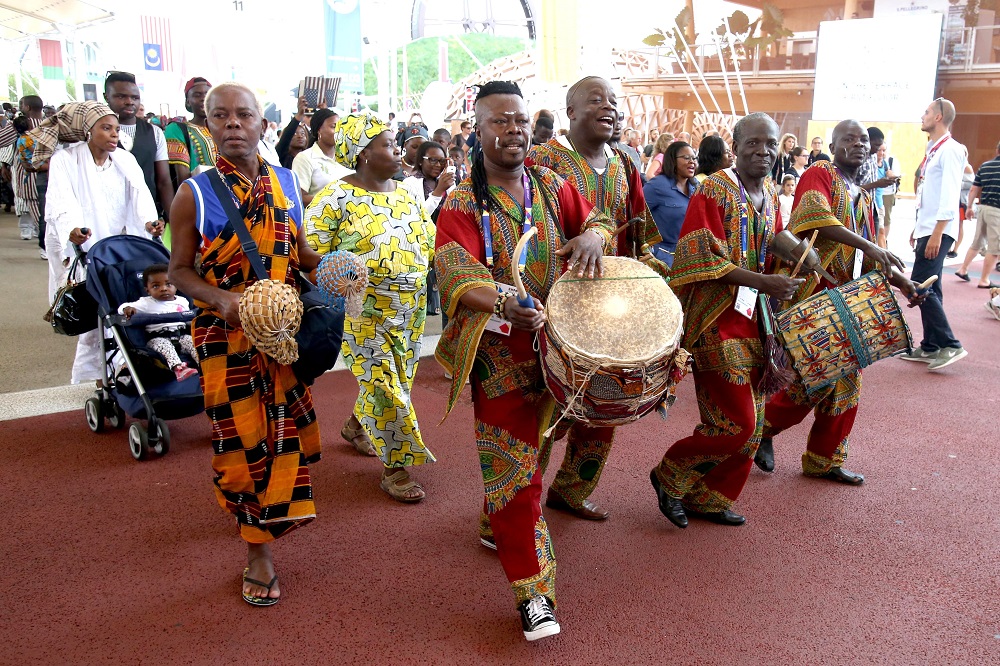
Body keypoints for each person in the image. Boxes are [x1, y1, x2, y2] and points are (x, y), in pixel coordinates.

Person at [434, 80, 612, 641]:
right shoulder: (462, 202)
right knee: (513, 470)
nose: (512, 129)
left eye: (519, 120)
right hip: (499, 358)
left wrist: (593, 239)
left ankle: (498, 521)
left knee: (550, 442)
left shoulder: (551, 185)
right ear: (477, 131)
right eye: (499, 121)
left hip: (562, 347)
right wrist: (503, 301)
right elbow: (456, 272)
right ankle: (534, 594)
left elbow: (599, 222)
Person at [168, 82, 322, 607]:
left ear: (263, 124)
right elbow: (179, 271)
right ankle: (258, 551)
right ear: (207, 125)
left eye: (244, 114)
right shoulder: (194, 193)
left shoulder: (286, 181)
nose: (233, 123)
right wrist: (224, 300)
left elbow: (299, 253)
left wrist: (337, 266)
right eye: (220, 116)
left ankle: (269, 514)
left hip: (280, 336)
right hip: (225, 337)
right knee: (240, 443)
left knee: (281, 434)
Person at [649, 112, 804, 530]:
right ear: (735, 148)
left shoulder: (768, 191)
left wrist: (799, 253)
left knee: (753, 424)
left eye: (770, 144)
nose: (763, 151)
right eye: (753, 143)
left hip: (756, 320)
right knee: (738, 423)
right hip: (715, 319)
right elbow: (700, 256)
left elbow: (773, 235)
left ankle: (710, 497)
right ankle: (670, 473)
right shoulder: (715, 188)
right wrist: (763, 281)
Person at [526, 74, 665, 522]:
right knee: (547, 407)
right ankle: (517, 505)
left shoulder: (624, 162)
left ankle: (571, 490)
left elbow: (638, 230)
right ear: (570, 112)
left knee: (605, 402)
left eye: (613, 101)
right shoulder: (542, 160)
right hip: (558, 302)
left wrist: (651, 277)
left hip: (613, 305)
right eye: (596, 100)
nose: (610, 107)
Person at [756, 119, 921, 482]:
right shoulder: (820, 173)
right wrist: (870, 246)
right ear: (833, 147)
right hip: (813, 296)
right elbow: (816, 219)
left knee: (846, 382)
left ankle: (823, 459)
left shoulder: (862, 195)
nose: (859, 144)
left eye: (863, 140)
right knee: (813, 378)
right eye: (849, 139)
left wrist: (904, 283)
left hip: (847, 301)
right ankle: (763, 430)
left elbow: (870, 256)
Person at [305, 112, 436, 503]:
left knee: (397, 381)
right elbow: (308, 253)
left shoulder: (407, 194)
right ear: (362, 153)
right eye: (387, 144)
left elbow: (428, 243)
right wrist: (341, 273)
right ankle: (396, 467)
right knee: (384, 384)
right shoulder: (335, 198)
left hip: (410, 310)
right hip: (362, 312)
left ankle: (355, 426)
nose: (397, 150)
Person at [40, 101, 163, 384]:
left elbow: (140, 196)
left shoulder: (125, 160)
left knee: (124, 304)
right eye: (106, 128)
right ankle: (96, 374)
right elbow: (61, 199)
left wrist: (148, 222)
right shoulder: (66, 160)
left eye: (116, 129)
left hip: (117, 245)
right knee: (96, 311)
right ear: (88, 131)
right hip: (84, 243)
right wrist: (72, 229)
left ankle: (125, 368)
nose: (114, 134)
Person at [900, 98, 968, 371]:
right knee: (931, 287)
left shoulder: (950, 150)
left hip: (938, 229)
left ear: (939, 117)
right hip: (928, 227)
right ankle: (931, 345)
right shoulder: (934, 150)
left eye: (927, 112)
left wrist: (938, 232)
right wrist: (919, 227)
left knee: (920, 285)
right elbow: (929, 193)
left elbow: (950, 195)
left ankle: (950, 344)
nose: (923, 116)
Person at [104, 71, 174, 224]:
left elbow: (163, 181)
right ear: (106, 97)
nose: (129, 102)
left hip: (147, 216)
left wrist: (173, 220)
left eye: (135, 98)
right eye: (121, 96)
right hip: (107, 217)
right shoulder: (96, 133)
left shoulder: (154, 133)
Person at [402, 140, 457, 317]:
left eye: (442, 161)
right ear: (420, 161)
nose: (437, 165)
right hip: (421, 246)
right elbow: (416, 218)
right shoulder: (410, 183)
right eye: (432, 160)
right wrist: (438, 191)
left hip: (445, 243)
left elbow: (456, 210)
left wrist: (449, 184)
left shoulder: (447, 183)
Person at [118, 263, 199, 381]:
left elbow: (187, 320)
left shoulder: (183, 301)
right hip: (157, 338)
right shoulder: (146, 303)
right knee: (165, 346)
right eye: (156, 286)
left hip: (180, 335)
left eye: (168, 284)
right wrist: (127, 309)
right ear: (147, 290)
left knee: (194, 342)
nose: (163, 288)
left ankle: (203, 363)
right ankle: (179, 369)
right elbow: (122, 307)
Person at [643, 140, 698, 266]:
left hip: (689, 256)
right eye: (686, 158)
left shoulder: (696, 187)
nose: (692, 162)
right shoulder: (657, 185)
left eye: (694, 158)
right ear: (672, 160)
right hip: (661, 258)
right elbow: (637, 214)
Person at [959, 140, 1000, 287]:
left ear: (997, 150)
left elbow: (974, 189)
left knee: (977, 241)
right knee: (994, 247)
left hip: (983, 208)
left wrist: (970, 207)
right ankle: (984, 279)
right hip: (997, 211)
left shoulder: (985, 166)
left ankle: (963, 268)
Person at [291, 108, 351, 205]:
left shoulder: (346, 157)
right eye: (334, 126)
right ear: (319, 130)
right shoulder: (305, 158)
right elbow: (299, 197)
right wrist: (332, 201)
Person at [164, 77, 216, 184]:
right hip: (198, 190)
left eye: (208, 94)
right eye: (197, 95)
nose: (203, 98)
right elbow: (183, 177)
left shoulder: (224, 127)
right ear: (188, 102)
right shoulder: (176, 129)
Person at [875, 143, 899, 247]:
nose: (881, 153)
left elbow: (890, 173)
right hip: (870, 202)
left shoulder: (885, 163)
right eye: (879, 150)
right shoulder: (868, 164)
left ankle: (883, 252)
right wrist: (878, 183)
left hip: (880, 203)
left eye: (884, 150)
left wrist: (892, 177)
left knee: (882, 230)